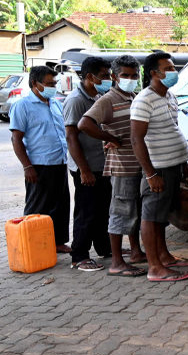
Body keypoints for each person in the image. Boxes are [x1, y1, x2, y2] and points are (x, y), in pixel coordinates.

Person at [79, 55, 148, 277]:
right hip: (122, 166)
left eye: (134, 75)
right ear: (114, 77)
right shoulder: (108, 99)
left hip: (138, 164)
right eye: (125, 75)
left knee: (134, 211)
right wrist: (110, 137)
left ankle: (135, 251)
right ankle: (117, 262)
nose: (130, 79)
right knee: (120, 212)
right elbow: (84, 124)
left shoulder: (134, 96)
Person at [130, 52, 188, 282]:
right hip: (158, 168)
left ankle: (164, 257)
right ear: (154, 73)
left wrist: (185, 169)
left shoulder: (169, 96)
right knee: (151, 216)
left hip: (173, 165)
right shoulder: (144, 100)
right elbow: (137, 139)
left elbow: (174, 131)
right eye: (167, 68)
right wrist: (150, 174)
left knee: (161, 217)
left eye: (172, 67)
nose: (173, 72)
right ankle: (155, 267)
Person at [9, 66, 71, 254]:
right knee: (38, 206)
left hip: (59, 162)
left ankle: (58, 242)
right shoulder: (22, 105)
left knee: (60, 205)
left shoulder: (55, 103)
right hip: (38, 165)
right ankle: (34, 246)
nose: (53, 86)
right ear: (35, 83)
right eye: (49, 83)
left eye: (54, 83)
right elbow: (16, 138)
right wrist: (27, 166)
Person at [63, 56, 113, 271]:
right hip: (86, 166)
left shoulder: (99, 95)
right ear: (90, 77)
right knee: (86, 211)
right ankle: (79, 255)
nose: (109, 79)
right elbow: (71, 137)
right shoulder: (76, 100)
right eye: (104, 76)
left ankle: (104, 247)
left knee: (103, 209)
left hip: (101, 164)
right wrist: (84, 170)